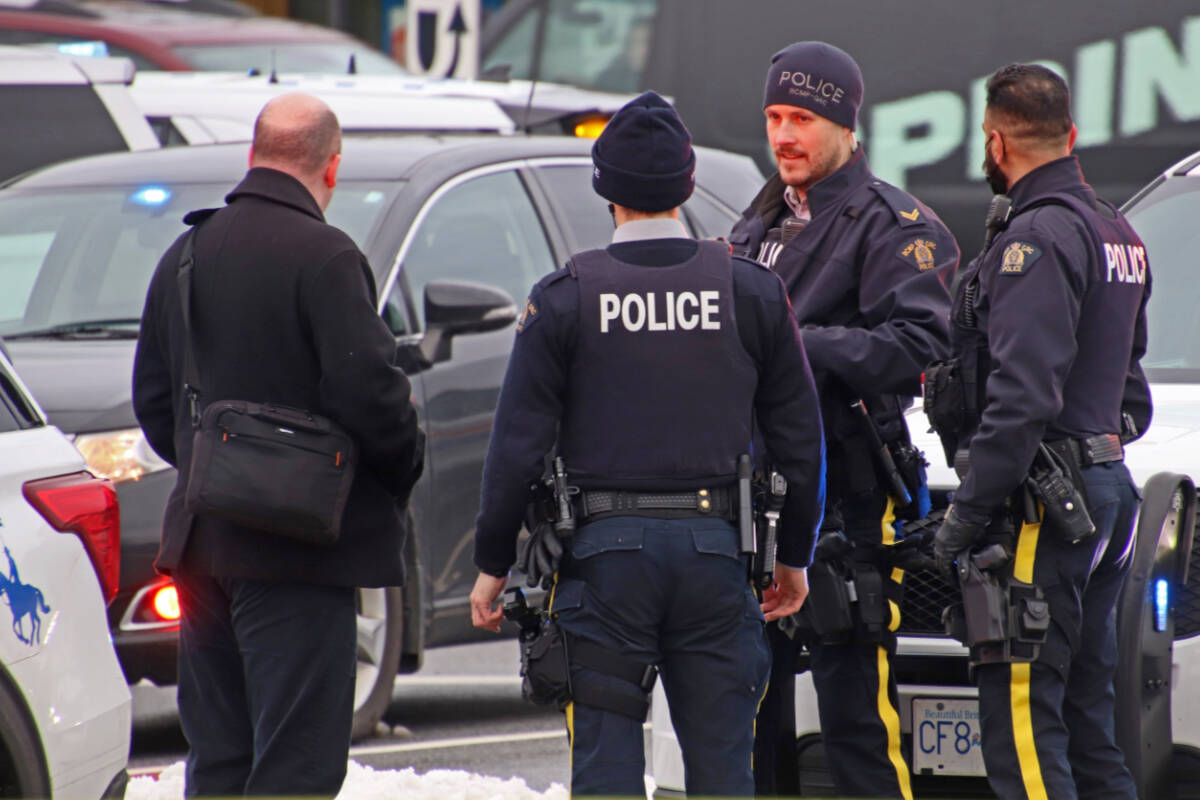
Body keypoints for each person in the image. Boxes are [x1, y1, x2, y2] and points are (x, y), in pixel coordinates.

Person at [468, 90, 826, 798]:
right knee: (725, 768)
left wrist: (491, 562)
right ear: (687, 187)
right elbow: (800, 437)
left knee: (604, 769)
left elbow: (515, 445)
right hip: (717, 554)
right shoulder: (750, 292)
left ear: (607, 192)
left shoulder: (565, 297)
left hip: (602, 562)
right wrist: (795, 560)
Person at [132, 92, 425, 797]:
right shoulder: (327, 257)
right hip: (300, 554)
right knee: (297, 764)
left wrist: (220, 467)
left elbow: (154, 401)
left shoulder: (187, 253)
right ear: (331, 168)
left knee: (222, 761)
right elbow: (369, 392)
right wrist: (402, 461)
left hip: (203, 550)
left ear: (253, 155)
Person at [730, 41, 958, 799]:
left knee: (856, 717)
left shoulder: (896, 224)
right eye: (773, 116)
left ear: (845, 124)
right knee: (745, 711)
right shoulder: (758, 220)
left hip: (849, 499)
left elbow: (922, 341)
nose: (784, 135)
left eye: (801, 117)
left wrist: (798, 343)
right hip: (750, 497)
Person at [932, 63, 1150, 800]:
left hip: (1042, 507)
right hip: (1106, 492)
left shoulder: (1036, 239)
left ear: (995, 141)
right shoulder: (1116, 229)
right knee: (1090, 722)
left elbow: (1022, 396)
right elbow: (1133, 394)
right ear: (1072, 135)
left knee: (1023, 721)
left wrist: (967, 512)